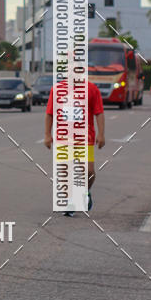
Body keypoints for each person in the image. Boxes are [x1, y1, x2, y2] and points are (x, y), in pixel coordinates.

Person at [44, 79, 105, 215]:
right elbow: (50, 113)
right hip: (64, 138)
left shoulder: (92, 88)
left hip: (85, 138)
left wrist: (101, 134)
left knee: (89, 172)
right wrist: (47, 135)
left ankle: (85, 192)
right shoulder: (57, 89)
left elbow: (99, 112)